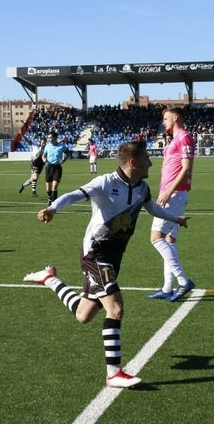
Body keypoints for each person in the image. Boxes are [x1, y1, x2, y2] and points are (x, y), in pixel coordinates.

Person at [23, 140, 189, 388]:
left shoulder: (142, 188)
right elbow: (73, 195)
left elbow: (152, 208)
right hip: (95, 253)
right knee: (116, 309)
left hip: (114, 256)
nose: (151, 163)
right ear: (133, 162)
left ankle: (49, 278)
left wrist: (175, 218)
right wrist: (53, 208)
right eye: (147, 159)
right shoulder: (105, 182)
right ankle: (114, 373)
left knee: (84, 314)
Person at [147, 107, 195, 302]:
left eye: (166, 118)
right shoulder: (173, 140)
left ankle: (183, 281)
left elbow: (186, 168)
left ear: (176, 118)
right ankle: (168, 287)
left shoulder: (184, 136)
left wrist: (167, 192)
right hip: (172, 193)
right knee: (168, 240)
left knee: (155, 238)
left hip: (174, 195)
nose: (163, 122)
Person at [43, 131, 70, 205]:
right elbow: (43, 155)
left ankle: (53, 205)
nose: (48, 139)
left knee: (54, 187)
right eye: (48, 138)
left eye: (50, 138)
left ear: (55, 138)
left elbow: (68, 153)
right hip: (48, 167)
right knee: (48, 189)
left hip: (57, 168)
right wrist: (44, 159)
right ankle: (50, 198)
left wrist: (64, 160)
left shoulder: (62, 146)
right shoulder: (47, 146)